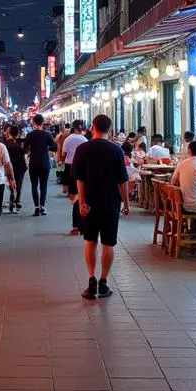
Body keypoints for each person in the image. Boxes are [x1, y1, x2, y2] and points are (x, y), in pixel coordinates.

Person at [74, 114, 129, 299]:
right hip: (110, 203)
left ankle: (91, 279)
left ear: (92, 127)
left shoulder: (82, 149)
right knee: (108, 243)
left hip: (89, 202)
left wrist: (81, 203)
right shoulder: (116, 151)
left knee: (90, 241)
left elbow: (79, 179)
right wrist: (126, 203)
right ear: (110, 129)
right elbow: (123, 181)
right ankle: (104, 282)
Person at [23, 114, 56, 215]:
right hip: (44, 162)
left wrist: (30, 152)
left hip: (33, 162)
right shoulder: (47, 134)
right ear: (42, 123)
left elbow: (25, 149)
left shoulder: (29, 135)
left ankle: (36, 207)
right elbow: (54, 147)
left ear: (33, 123)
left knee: (34, 185)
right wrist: (47, 150)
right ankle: (42, 206)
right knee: (43, 186)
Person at [60, 121, 88, 199]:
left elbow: (64, 153)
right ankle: (80, 194)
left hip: (69, 163)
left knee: (71, 180)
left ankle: (71, 195)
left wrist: (62, 160)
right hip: (82, 164)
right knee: (80, 179)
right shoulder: (85, 140)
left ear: (73, 128)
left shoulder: (68, 139)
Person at [4, 125, 28, 213]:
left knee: (11, 182)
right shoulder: (21, 143)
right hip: (21, 166)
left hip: (10, 166)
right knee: (19, 183)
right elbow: (26, 151)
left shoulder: (5, 143)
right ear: (18, 133)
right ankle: (17, 200)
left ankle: (12, 199)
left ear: (9, 132)